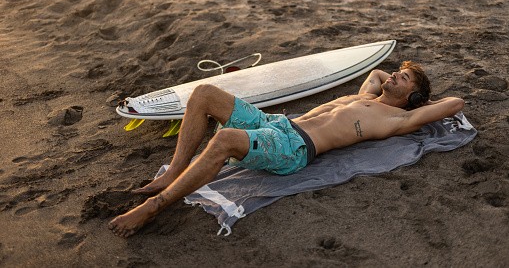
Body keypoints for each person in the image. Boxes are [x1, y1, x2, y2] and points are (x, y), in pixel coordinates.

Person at [108, 61, 464, 238]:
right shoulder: (366, 96)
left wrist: (417, 102)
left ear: (414, 97)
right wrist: (397, 77)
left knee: (224, 139)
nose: (393, 77)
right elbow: (374, 71)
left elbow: (455, 102)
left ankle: (154, 207)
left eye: (403, 79)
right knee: (203, 93)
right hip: (275, 124)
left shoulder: (395, 120)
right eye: (398, 72)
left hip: (294, 147)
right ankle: (173, 172)